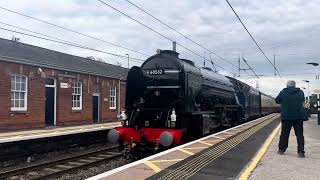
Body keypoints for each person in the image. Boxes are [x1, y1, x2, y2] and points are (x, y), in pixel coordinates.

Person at [276, 80, 307, 158]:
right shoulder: (300, 92)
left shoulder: (283, 92)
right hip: (298, 117)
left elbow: (277, 100)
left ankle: (281, 150)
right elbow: (303, 100)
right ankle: (301, 152)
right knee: (299, 135)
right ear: (294, 85)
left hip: (286, 117)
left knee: (284, 134)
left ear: (287, 85)